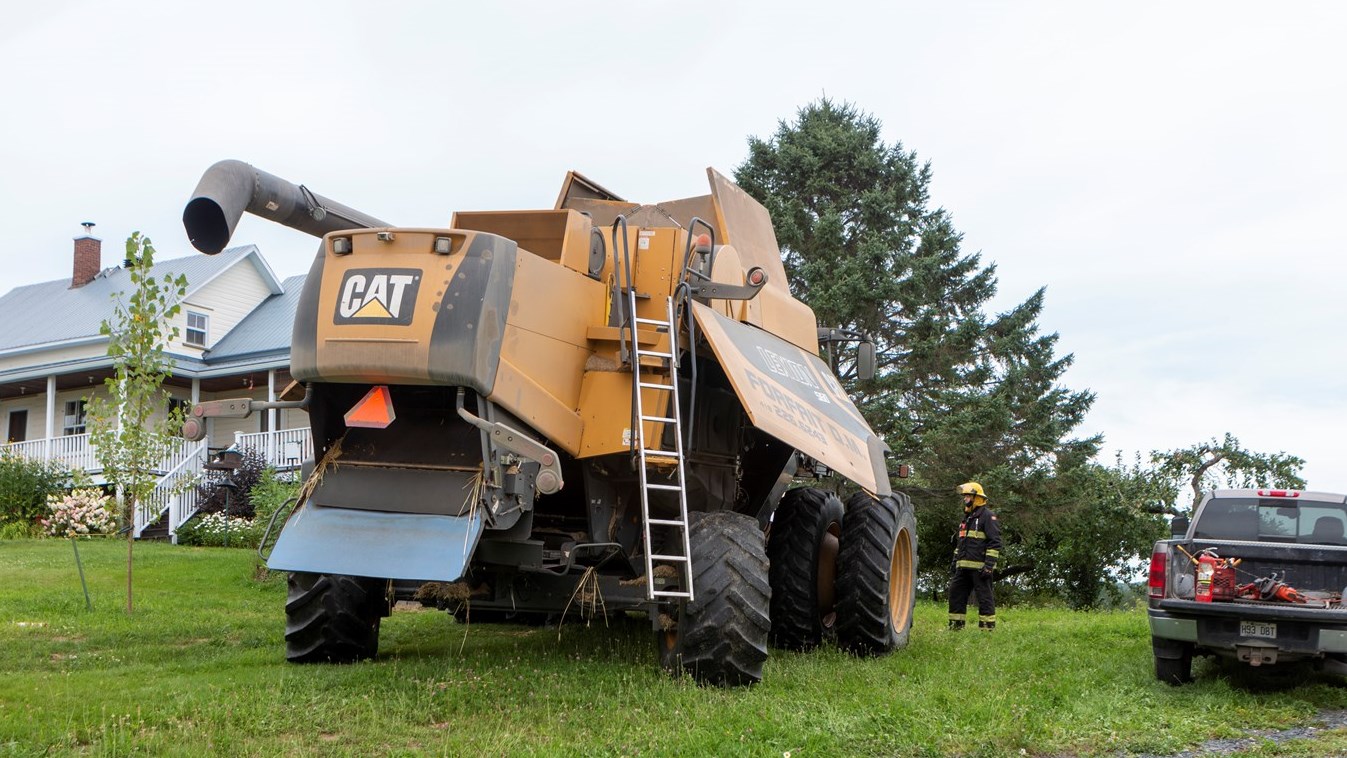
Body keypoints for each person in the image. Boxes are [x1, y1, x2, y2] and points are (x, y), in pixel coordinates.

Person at [948, 481, 1001, 630]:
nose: (965, 499)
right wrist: (955, 562)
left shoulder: (988, 517)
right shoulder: (967, 518)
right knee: (955, 594)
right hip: (962, 567)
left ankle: (987, 628)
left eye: (967, 496)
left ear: (976, 497)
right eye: (964, 496)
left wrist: (989, 566)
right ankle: (955, 627)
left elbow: (995, 543)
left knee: (985, 598)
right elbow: (961, 543)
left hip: (980, 568)